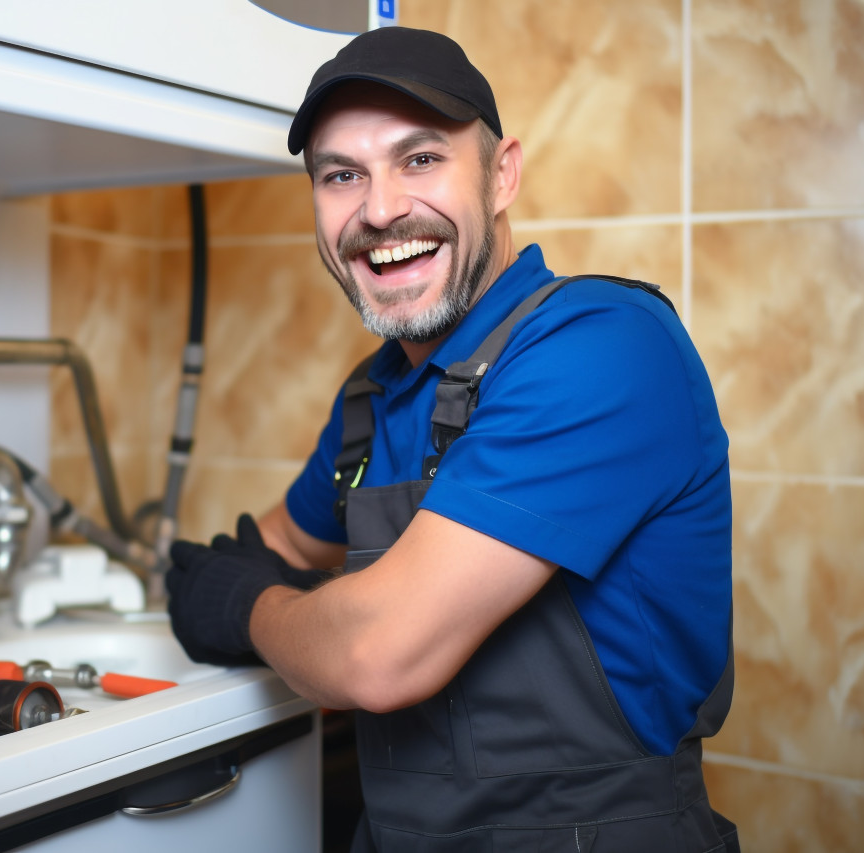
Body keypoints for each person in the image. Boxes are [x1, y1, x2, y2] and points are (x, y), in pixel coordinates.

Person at [165, 26, 739, 853]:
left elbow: (376, 652)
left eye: (421, 159)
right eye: (341, 175)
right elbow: (283, 541)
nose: (380, 208)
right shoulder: (374, 395)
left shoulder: (601, 347)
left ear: (501, 174)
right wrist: (212, 571)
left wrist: (242, 605)